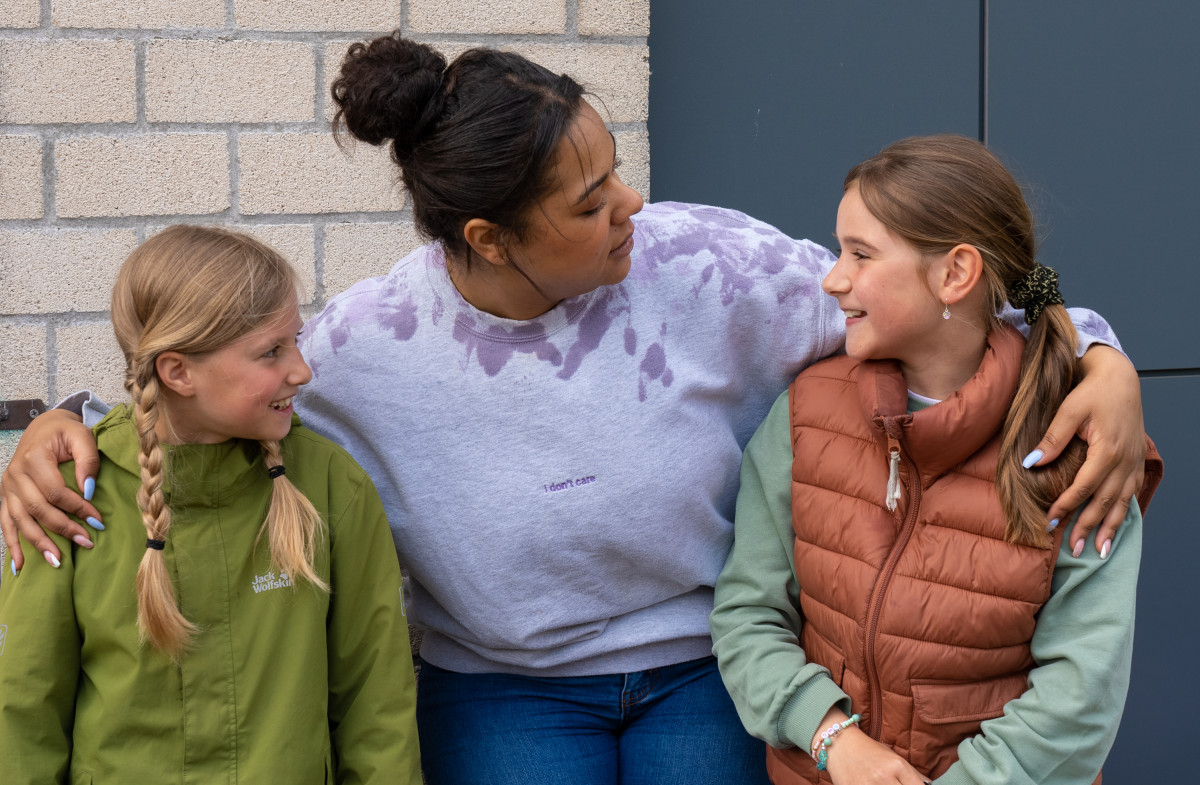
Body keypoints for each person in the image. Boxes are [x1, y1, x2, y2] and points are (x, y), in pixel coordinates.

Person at [0, 35, 1148, 785]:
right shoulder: (364, 349)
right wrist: (77, 416)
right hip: (501, 684)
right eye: (591, 199)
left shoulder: (704, 265)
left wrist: (1093, 343)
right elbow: (215, 385)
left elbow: (943, 287)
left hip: (702, 663)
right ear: (492, 239)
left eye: (618, 172)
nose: (629, 205)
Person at [710, 135, 1163, 785]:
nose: (832, 278)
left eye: (861, 254)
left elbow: (1080, 695)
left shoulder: (1080, 451)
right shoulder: (805, 412)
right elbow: (746, 615)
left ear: (955, 273)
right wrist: (834, 739)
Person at [0, 226, 421, 784]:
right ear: (178, 372)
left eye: (294, 340)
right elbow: (25, 709)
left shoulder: (330, 486)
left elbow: (378, 701)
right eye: (271, 351)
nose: (302, 370)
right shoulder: (67, 499)